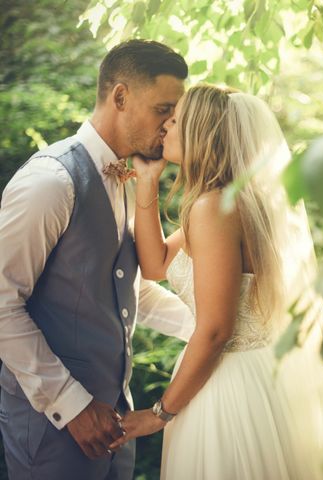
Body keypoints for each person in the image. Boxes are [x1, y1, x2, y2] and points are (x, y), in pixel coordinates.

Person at [108, 84, 323, 479]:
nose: (165, 126)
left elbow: (214, 330)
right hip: (249, 378)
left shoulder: (214, 208)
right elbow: (155, 265)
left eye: (176, 119)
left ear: (201, 134)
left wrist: (160, 413)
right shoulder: (225, 201)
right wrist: (148, 182)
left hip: (230, 389)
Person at [0, 39, 195, 479]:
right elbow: (2, 304)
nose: (171, 125)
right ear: (120, 97)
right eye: (163, 109)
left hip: (112, 424)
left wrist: (205, 331)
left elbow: (121, 285)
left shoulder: (129, 178)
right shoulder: (50, 182)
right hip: (53, 429)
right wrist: (71, 405)